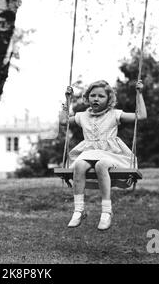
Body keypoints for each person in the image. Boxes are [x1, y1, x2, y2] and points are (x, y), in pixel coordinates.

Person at [59, 80, 147, 230]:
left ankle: (106, 211)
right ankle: (79, 209)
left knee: (101, 165)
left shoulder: (115, 114)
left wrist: (139, 93)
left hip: (110, 154)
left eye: (101, 96)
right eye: (92, 95)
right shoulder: (82, 116)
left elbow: (141, 116)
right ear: (87, 98)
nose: (96, 99)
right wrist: (67, 100)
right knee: (79, 165)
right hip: (88, 153)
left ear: (109, 99)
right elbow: (63, 121)